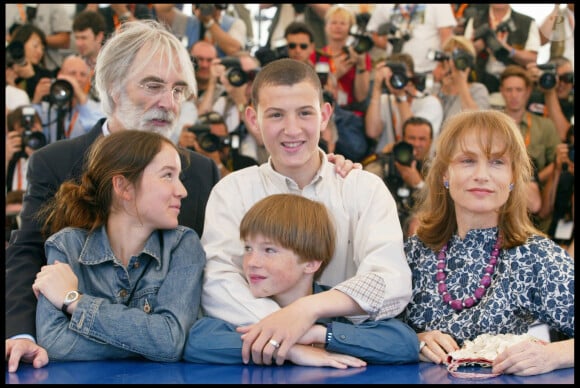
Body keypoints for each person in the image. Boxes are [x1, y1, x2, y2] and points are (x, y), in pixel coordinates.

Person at [5, 19, 220, 373]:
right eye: (153, 85)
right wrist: (21, 335)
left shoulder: (199, 172)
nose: (168, 103)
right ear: (112, 87)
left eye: (179, 90)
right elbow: (27, 251)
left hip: (168, 370)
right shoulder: (54, 162)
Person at [201, 58, 411, 366]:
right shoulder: (232, 191)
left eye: (305, 113)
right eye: (275, 115)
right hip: (257, 355)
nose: (292, 129)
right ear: (253, 119)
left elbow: (391, 281)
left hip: (344, 358)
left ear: (325, 115)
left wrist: (307, 312)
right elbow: (218, 281)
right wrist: (285, 330)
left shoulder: (363, 188)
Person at [400, 109, 574, 376]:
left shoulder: (537, 256)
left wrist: (553, 355)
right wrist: (413, 339)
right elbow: (362, 327)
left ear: (514, 178)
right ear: (445, 173)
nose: (482, 174)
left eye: (497, 162)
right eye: (468, 160)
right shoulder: (413, 253)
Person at [185, 193, 419, 366]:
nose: (252, 262)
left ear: (311, 262)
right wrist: (290, 348)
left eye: (269, 250)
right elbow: (198, 341)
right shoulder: (239, 306)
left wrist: (317, 334)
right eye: (248, 248)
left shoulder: (335, 310)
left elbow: (404, 342)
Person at [33, 129, 205, 362]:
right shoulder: (67, 245)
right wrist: (148, 341)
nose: (182, 191)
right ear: (123, 187)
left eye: (179, 178)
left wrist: (75, 301)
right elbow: (54, 342)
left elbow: (171, 340)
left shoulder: (183, 244)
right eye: (167, 176)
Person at [365, 53, 443, 156]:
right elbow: (372, 132)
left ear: (412, 78)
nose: (399, 81)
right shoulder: (386, 100)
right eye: (394, 77)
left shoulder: (431, 103)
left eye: (403, 77)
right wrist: (377, 87)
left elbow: (414, 137)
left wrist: (401, 97)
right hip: (388, 159)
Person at [463, 4, 541, 94]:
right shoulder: (475, 21)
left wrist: (508, 50)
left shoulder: (526, 22)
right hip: (481, 82)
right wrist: (476, 47)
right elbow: (464, 53)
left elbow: (532, 58)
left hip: (515, 87)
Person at [365, 4, 457, 74]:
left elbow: (447, 40)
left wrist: (442, 67)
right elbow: (374, 32)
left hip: (429, 70)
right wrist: (389, 46)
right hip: (395, 69)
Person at [315, 5, 371, 117]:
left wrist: (360, 65)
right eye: (334, 22)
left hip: (350, 114)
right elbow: (313, 91)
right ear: (326, 26)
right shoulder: (316, 55)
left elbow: (361, 97)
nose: (338, 27)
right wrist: (336, 75)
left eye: (343, 23)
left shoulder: (359, 55)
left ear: (350, 28)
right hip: (322, 111)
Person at [33, 54, 104, 141]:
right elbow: (31, 132)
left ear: (88, 80)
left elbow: (100, 129)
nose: (78, 79)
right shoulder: (48, 108)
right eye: (72, 73)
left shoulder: (97, 108)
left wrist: (79, 93)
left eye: (83, 74)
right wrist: (36, 101)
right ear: (60, 76)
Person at [430, 35, 491, 123]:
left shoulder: (478, 90)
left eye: (458, 58)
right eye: (448, 58)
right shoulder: (436, 89)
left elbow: (477, 122)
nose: (452, 64)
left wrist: (461, 82)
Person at [6, 4, 72, 72]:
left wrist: (37, 40)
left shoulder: (53, 6)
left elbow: (65, 40)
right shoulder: (9, 7)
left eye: (41, 48)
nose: (40, 50)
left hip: (49, 66)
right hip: (17, 63)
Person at [72, 9, 107, 103]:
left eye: (83, 38)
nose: (79, 43)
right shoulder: (72, 63)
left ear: (99, 36)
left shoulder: (111, 65)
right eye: (77, 38)